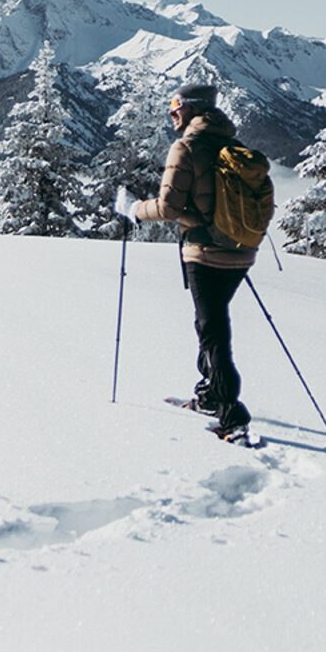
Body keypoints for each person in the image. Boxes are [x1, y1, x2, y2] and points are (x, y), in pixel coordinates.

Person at [130, 83, 256, 438]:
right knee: (209, 323)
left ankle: (232, 416)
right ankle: (211, 394)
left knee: (213, 330)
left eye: (176, 105)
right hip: (242, 252)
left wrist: (133, 210)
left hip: (204, 253)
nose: (172, 111)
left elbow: (168, 208)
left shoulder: (186, 146)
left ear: (193, 109)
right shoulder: (235, 146)